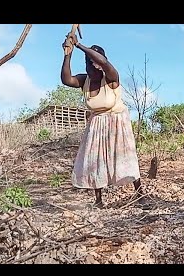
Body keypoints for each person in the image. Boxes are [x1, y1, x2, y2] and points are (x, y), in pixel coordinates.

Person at [60, 32, 146, 208]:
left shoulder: (111, 77)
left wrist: (79, 46)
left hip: (117, 121)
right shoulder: (85, 80)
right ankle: (98, 201)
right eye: (90, 65)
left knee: (126, 158)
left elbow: (105, 63)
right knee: (95, 160)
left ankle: (139, 194)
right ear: (86, 66)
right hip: (97, 123)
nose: (95, 68)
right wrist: (68, 54)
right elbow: (66, 80)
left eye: (97, 64)